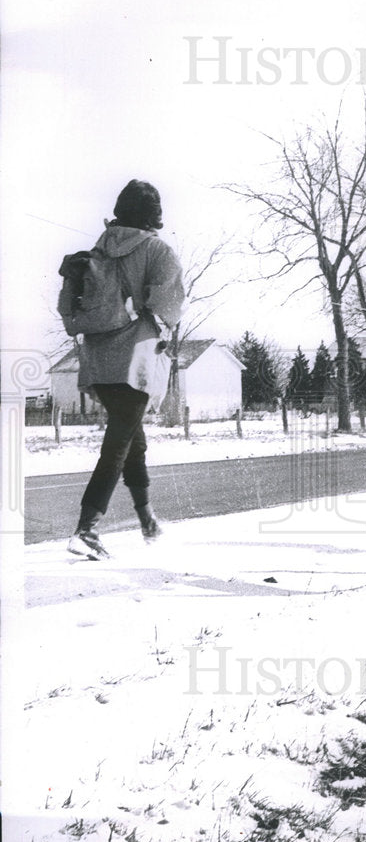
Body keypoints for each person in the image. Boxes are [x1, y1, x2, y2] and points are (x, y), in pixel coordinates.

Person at [67, 180, 185, 559]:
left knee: (134, 440)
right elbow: (168, 306)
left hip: (98, 361)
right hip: (136, 361)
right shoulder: (157, 249)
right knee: (119, 443)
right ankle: (86, 530)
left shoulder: (98, 248)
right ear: (153, 215)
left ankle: (148, 523)